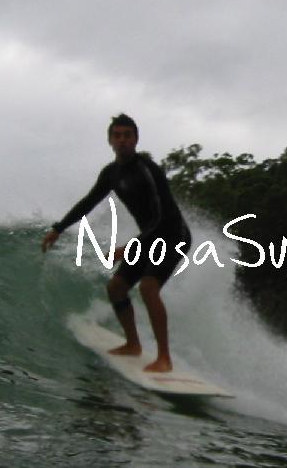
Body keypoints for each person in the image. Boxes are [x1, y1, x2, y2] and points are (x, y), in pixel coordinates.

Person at [41, 113, 191, 372]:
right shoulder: (111, 174)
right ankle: (133, 344)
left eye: (127, 135)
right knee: (116, 287)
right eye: (117, 136)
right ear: (110, 140)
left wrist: (131, 247)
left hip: (173, 235)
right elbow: (88, 202)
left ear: (136, 139)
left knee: (148, 288)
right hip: (149, 238)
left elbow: (162, 216)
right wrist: (58, 228)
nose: (122, 140)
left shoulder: (148, 170)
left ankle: (164, 358)